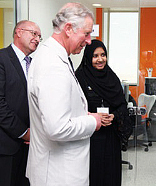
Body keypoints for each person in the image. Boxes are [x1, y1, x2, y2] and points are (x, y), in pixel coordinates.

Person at [26, 3, 110, 186]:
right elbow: (57, 128)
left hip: (58, 169)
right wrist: (92, 121)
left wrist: (82, 114)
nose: (89, 40)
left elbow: (55, 111)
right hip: (59, 174)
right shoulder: (53, 66)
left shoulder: (55, 57)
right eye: (86, 34)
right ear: (69, 29)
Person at [75, 39, 133, 186]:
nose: (100, 59)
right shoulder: (80, 77)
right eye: (95, 56)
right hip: (90, 136)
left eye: (103, 55)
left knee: (110, 174)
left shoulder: (111, 77)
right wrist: (93, 117)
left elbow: (122, 104)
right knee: (93, 175)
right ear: (88, 57)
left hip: (110, 135)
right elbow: (74, 107)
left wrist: (114, 115)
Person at [0, 20, 41, 186]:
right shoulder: (2, 59)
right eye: (34, 34)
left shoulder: (34, 64)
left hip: (30, 147)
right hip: (7, 147)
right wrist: (24, 132)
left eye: (40, 36)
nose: (37, 39)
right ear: (18, 31)